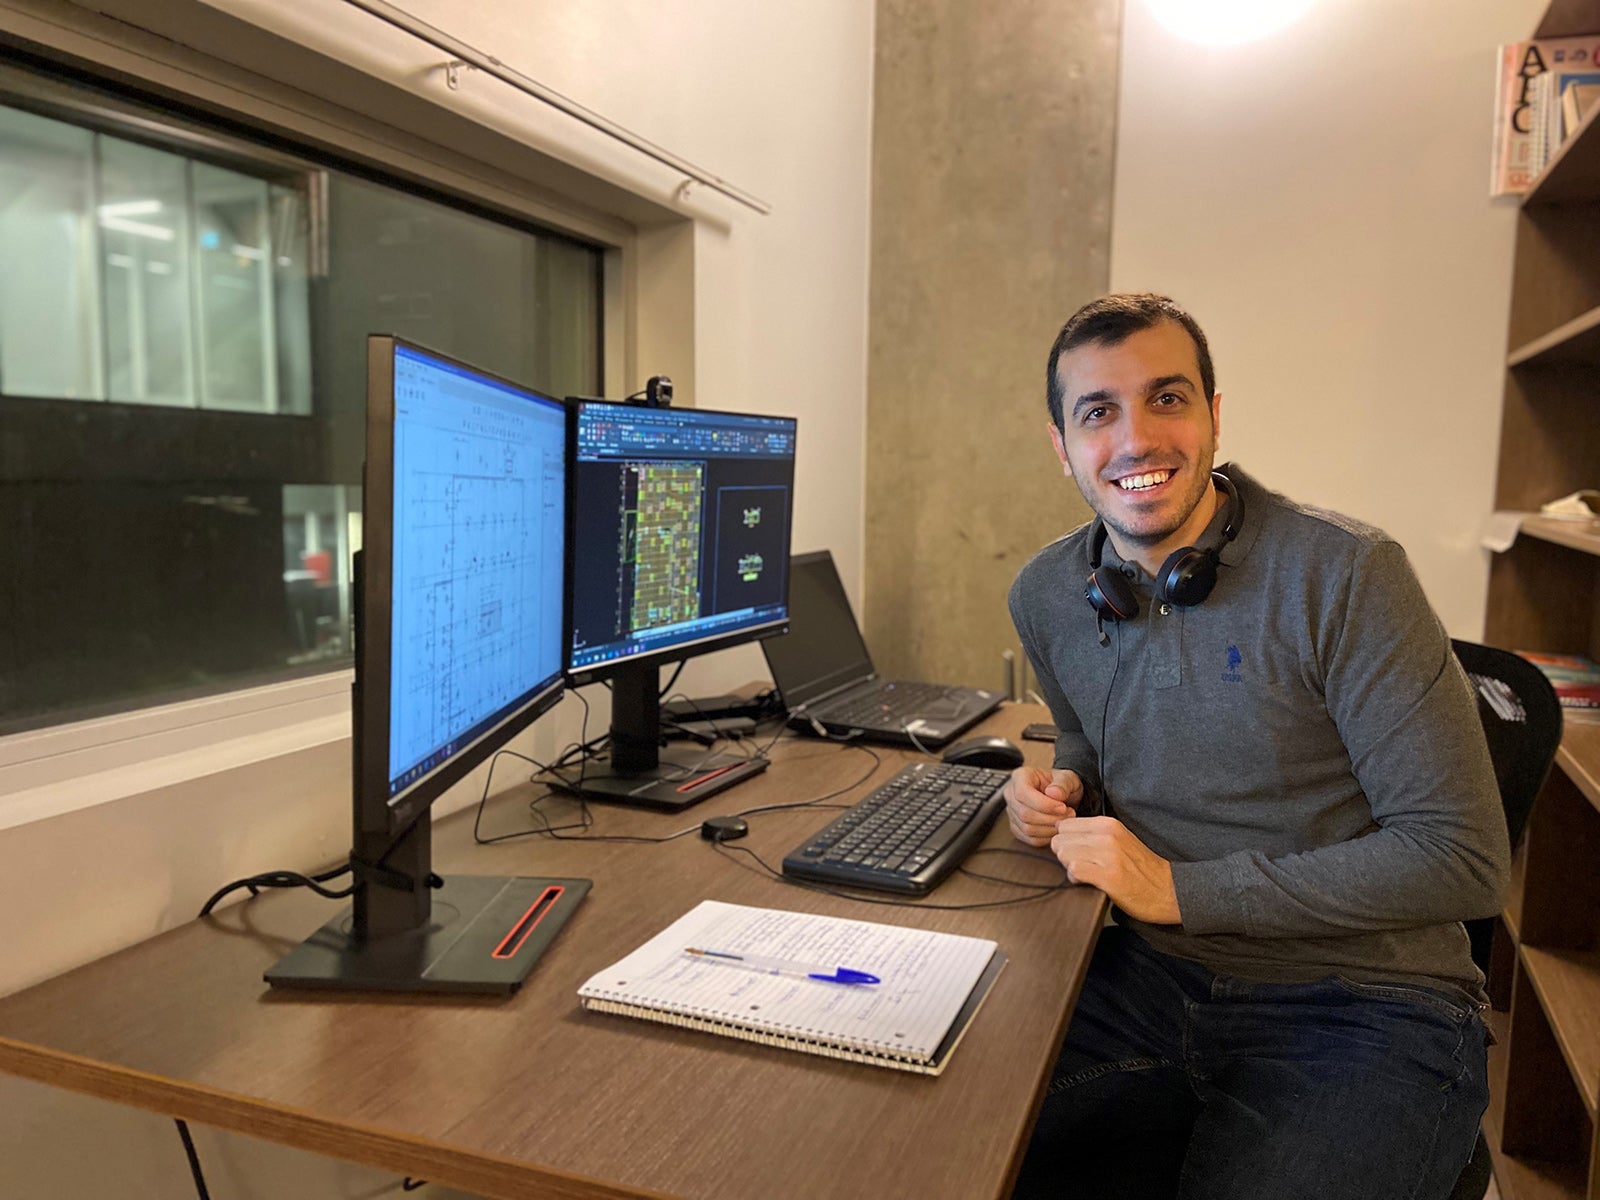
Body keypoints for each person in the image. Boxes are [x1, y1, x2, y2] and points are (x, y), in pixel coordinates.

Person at [1005, 293, 1509, 1200]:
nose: (1136, 440)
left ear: (1213, 414)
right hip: (1142, 981)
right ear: (1062, 446)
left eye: (1168, 398)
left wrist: (1179, 890)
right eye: (1098, 412)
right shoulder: (1047, 592)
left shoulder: (1347, 574)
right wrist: (1064, 783)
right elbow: (1081, 725)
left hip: (1363, 1005)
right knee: (945, 1143)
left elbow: (1461, 859)